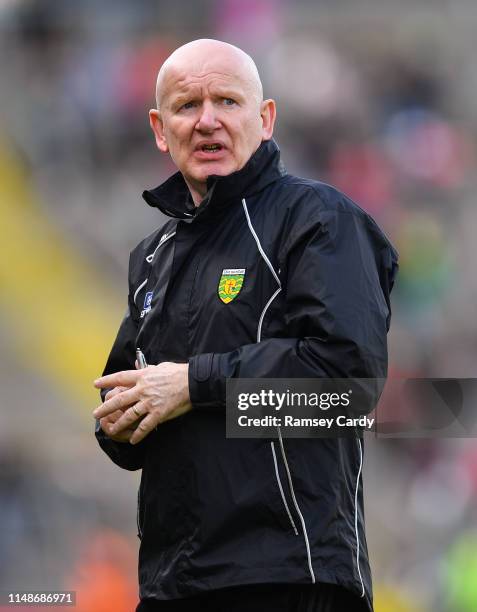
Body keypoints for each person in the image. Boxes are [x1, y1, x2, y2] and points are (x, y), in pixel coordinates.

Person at [93, 39, 398, 612]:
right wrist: (119, 421)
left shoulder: (320, 220)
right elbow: (133, 410)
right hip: (170, 584)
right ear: (161, 130)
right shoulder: (153, 256)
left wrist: (194, 386)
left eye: (227, 101)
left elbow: (347, 394)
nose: (207, 120)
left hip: (289, 577)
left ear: (265, 119)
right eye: (187, 106)